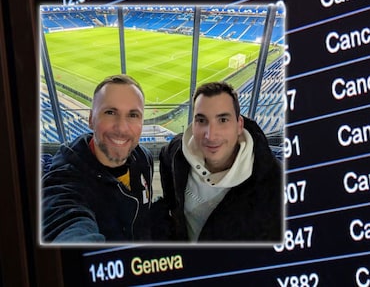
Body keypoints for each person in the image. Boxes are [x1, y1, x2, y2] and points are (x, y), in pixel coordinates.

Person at [159, 81, 283, 242]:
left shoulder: (276, 185)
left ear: (239, 125)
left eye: (223, 120)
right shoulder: (176, 150)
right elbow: (165, 160)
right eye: (202, 120)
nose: (211, 135)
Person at [42, 74, 155, 243]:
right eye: (110, 112)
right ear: (90, 120)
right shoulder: (66, 180)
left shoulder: (144, 158)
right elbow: (68, 226)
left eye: (133, 115)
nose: (122, 128)